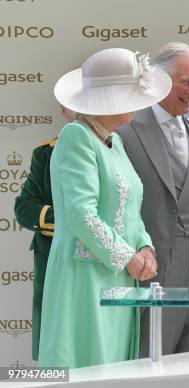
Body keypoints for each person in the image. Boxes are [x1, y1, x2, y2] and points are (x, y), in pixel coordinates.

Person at [38, 48, 170, 368]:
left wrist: (145, 247)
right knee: (88, 363)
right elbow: (82, 214)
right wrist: (128, 258)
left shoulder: (115, 141)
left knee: (113, 366)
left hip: (116, 276)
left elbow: (130, 210)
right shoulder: (77, 136)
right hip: (84, 278)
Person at [118, 42, 189, 356]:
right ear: (161, 80)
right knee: (153, 357)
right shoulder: (127, 130)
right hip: (158, 259)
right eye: (186, 81)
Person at [14, 106, 73, 361]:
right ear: (63, 109)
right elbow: (25, 209)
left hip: (104, 263)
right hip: (52, 257)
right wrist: (76, 221)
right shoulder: (45, 154)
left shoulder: (119, 149)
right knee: (55, 354)